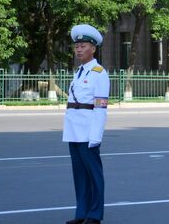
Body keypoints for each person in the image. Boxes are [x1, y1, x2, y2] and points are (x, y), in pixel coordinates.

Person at [63, 24, 110, 224]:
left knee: (94, 176)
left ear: (93, 48)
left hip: (88, 133)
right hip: (74, 131)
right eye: (77, 46)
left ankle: (95, 215)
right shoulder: (80, 72)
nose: (79, 50)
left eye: (83, 46)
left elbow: (100, 108)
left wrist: (96, 136)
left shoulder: (99, 73)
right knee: (79, 176)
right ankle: (81, 213)